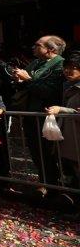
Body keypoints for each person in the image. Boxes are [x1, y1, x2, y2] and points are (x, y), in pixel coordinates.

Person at [12, 35, 66, 186]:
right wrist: (20, 80)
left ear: (50, 49)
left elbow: (49, 91)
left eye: (37, 45)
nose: (33, 47)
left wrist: (28, 79)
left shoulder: (60, 65)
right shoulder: (36, 63)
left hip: (48, 115)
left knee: (50, 152)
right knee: (36, 151)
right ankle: (45, 182)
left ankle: (56, 185)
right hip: (31, 114)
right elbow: (27, 85)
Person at [45, 50, 80, 189]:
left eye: (73, 67)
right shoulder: (68, 86)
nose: (68, 71)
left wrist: (61, 110)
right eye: (66, 67)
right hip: (72, 139)